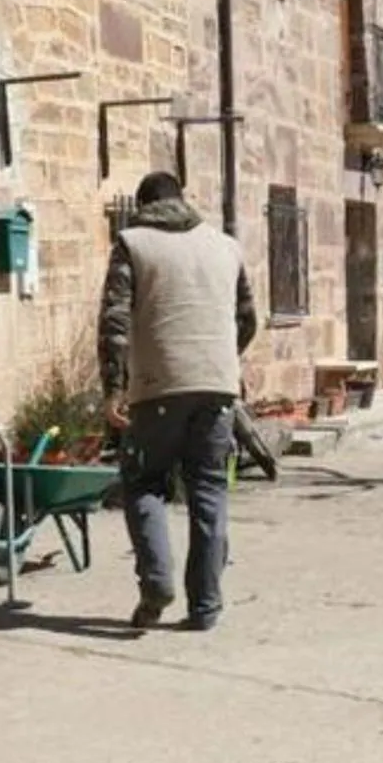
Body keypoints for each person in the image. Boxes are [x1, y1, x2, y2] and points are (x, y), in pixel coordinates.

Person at [97, 171, 257, 632]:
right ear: (181, 199)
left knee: (144, 482)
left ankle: (157, 583)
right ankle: (205, 607)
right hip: (218, 387)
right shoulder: (226, 246)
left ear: (143, 204)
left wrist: (113, 389)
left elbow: (114, 323)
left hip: (156, 387)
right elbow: (247, 318)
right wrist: (219, 360)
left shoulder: (133, 243)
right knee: (208, 491)